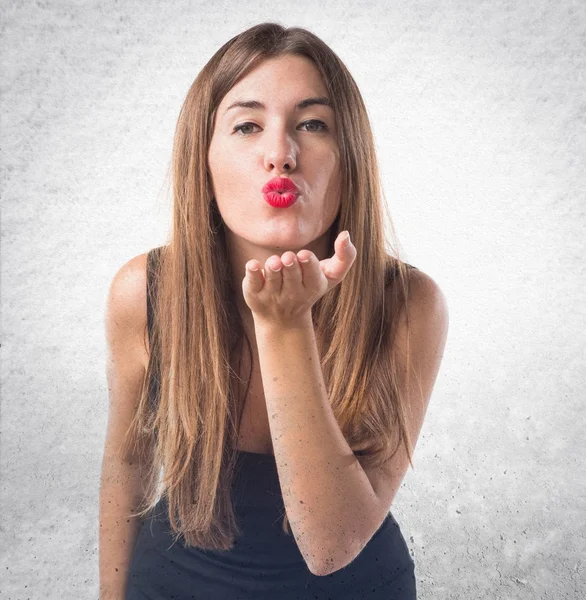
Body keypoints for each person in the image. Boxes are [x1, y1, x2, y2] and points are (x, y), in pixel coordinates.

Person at [99, 22, 449, 600]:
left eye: (312, 124)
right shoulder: (144, 291)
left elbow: (330, 545)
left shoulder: (409, 305)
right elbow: (126, 468)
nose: (280, 155)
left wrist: (286, 325)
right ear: (203, 161)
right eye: (247, 126)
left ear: (349, 156)